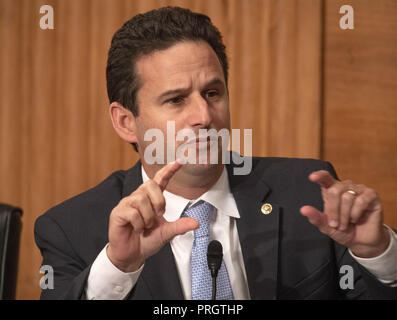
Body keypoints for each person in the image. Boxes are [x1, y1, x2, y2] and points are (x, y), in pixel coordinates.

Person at [34, 6, 397, 300]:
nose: (205, 117)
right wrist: (120, 267)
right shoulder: (71, 229)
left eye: (212, 93)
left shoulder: (306, 193)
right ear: (127, 122)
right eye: (176, 100)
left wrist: (377, 253)